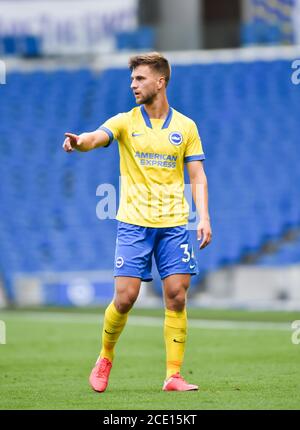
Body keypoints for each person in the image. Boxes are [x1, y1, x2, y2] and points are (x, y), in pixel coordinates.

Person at [63, 52, 212, 392]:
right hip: (134, 222)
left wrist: (203, 216)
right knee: (126, 298)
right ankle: (105, 356)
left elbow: (197, 173)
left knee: (176, 295)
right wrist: (79, 142)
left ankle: (173, 375)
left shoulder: (185, 127)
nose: (133, 85)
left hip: (175, 224)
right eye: (132, 79)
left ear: (160, 82)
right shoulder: (125, 122)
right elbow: (96, 137)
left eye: (140, 79)